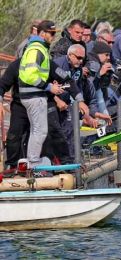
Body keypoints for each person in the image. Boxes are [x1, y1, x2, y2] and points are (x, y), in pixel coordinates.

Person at [18, 20, 65, 167]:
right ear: (43, 33)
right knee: (41, 131)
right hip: (34, 95)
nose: (53, 37)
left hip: (32, 95)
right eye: (51, 34)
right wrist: (49, 87)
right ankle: (33, 163)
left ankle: (32, 162)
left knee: (36, 130)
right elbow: (30, 75)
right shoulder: (37, 49)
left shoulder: (37, 48)